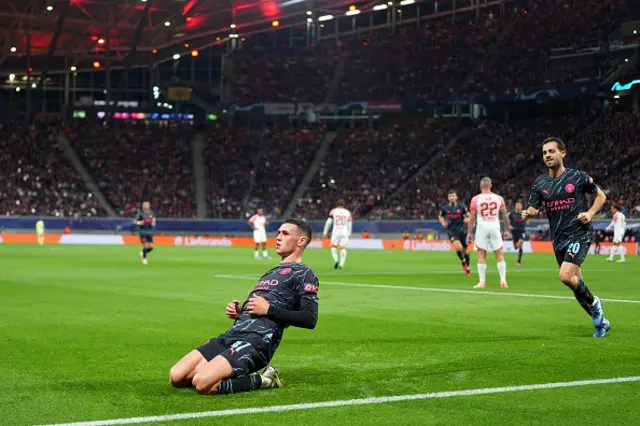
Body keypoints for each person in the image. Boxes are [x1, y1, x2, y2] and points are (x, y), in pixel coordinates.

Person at [168, 219, 319, 394]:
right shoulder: (271, 272)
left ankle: (265, 380)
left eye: (285, 234)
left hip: (257, 341)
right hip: (232, 335)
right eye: (278, 233)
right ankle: (229, 369)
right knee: (177, 377)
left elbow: (310, 318)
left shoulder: (305, 274)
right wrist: (240, 311)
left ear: (301, 241)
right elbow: (260, 306)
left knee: (203, 383)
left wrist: (269, 310)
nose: (278, 237)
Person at [522, 137, 610, 338]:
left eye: (551, 151)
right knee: (576, 284)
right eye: (544, 153)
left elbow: (601, 196)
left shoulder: (577, 177)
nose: (547, 156)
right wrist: (528, 213)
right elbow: (534, 207)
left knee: (565, 276)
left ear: (563, 153)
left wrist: (589, 213)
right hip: (558, 239)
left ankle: (596, 304)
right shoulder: (540, 183)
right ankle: (601, 323)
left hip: (579, 233)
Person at [467, 177, 511, 289]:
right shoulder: (499, 198)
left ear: (481, 186)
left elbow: (472, 217)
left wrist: (469, 233)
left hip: (482, 227)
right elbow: (505, 215)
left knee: (481, 254)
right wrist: (507, 229)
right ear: (490, 186)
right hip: (494, 227)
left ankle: (482, 282)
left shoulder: (475, 199)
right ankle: (503, 282)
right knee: (499, 254)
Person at [439, 190, 471, 276]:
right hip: (451, 231)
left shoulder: (462, 207)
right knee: (458, 247)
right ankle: (463, 262)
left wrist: (467, 220)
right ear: (448, 198)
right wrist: (443, 223)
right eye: (450, 196)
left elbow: (469, 216)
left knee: (466, 251)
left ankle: (467, 267)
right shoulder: (445, 208)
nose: (452, 198)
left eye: (453, 196)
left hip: (462, 231)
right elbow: (440, 216)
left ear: (456, 197)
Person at [323, 200, 352, 269]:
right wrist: (349, 232)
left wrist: (325, 232)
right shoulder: (347, 212)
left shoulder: (333, 211)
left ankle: (336, 260)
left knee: (333, 247)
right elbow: (349, 223)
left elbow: (328, 222)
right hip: (344, 231)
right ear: (344, 205)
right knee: (343, 248)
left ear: (337, 204)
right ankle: (341, 264)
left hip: (336, 231)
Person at [509, 201, 529, 265]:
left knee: (520, 243)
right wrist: (509, 226)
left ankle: (519, 261)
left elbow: (528, 222)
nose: (518, 206)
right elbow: (509, 222)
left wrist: (526, 218)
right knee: (515, 247)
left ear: (521, 206)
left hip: (522, 231)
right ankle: (516, 244)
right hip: (514, 232)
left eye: (519, 205)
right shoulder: (511, 214)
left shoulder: (524, 213)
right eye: (517, 205)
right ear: (515, 206)